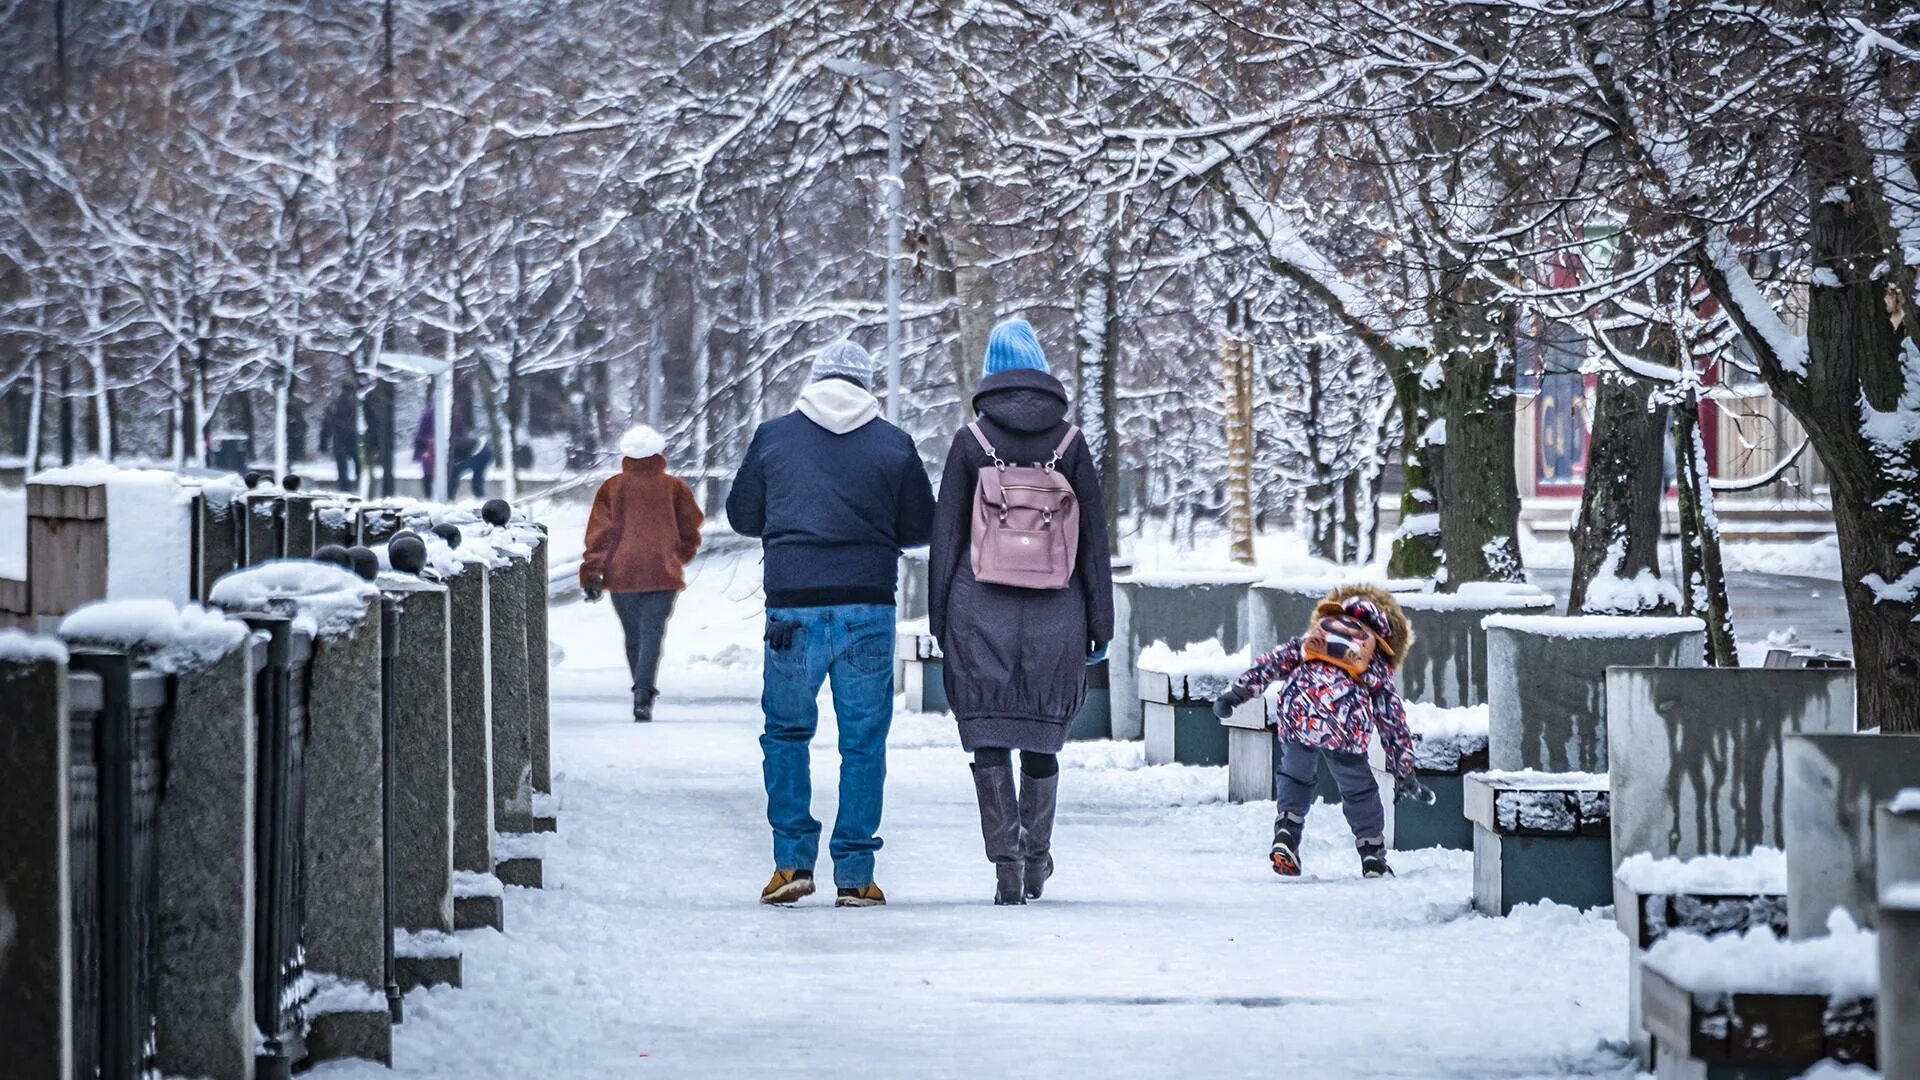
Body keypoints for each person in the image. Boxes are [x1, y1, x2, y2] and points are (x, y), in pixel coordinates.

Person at [727, 340, 936, 908]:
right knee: (863, 744)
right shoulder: (893, 444)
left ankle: (792, 863)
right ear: (868, 386)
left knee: (787, 734)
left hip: (791, 609)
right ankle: (855, 876)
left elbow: (742, 514)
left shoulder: (774, 437)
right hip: (867, 605)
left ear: (814, 382)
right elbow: (922, 526)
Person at [928, 318, 1114, 905]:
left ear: (991, 373)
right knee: (1040, 738)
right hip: (1057, 613)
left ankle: (1006, 868)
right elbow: (1096, 543)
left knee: (988, 736)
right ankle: (1036, 860)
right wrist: (1100, 625)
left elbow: (947, 539)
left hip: (978, 611)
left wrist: (940, 621)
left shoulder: (970, 443)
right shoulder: (1071, 444)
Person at [1212, 585, 1418, 879]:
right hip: (1343, 720)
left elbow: (1272, 663)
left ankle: (1287, 831)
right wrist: (1404, 768)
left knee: (1296, 775)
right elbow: (1391, 717)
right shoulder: (1374, 657)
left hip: (1298, 710)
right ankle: (1372, 854)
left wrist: (1236, 694)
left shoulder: (1317, 634)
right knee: (1358, 789)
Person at [580, 424, 704, 722]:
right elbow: (691, 528)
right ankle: (643, 694)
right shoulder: (675, 487)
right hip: (662, 570)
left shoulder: (612, 487)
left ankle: (640, 689)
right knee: (652, 632)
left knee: (633, 634)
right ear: (659, 453)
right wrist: (678, 555)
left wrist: (592, 573)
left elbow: (601, 535)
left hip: (621, 571)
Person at [319, 385, 358, 490]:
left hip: (341, 436)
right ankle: (355, 484)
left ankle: (344, 486)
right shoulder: (355, 403)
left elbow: (327, 423)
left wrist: (323, 442)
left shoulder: (336, 404)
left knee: (342, 465)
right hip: (351, 436)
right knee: (355, 462)